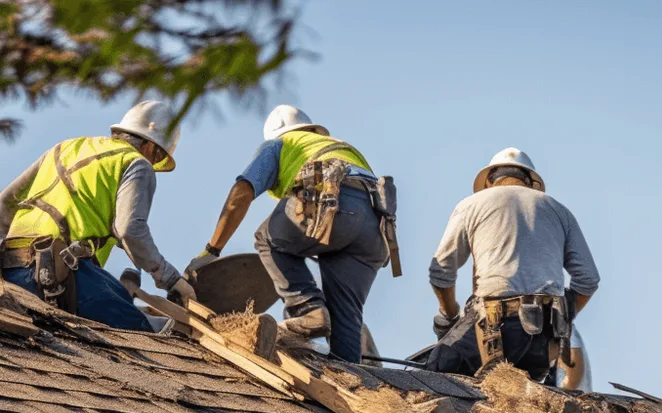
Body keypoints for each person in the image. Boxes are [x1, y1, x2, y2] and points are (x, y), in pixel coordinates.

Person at [194, 105, 393, 361]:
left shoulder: (280, 144)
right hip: (374, 228)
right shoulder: (340, 147)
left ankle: (306, 308)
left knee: (267, 238)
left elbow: (241, 194)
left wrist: (212, 250)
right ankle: (349, 376)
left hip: (332, 203)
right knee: (345, 317)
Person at [0, 101, 193, 330]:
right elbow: (130, 230)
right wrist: (172, 280)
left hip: (10, 268)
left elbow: (5, 205)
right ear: (151, 147)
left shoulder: (66, 147)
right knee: (152, 329)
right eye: (157, 156)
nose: (153, 163)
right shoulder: (136, 164)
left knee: (117, 293)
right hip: (59, 275)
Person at [426, 147, 599, 380]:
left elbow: (441, 271)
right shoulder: (559, 211)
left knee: (438, 369)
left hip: (496, 327)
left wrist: (449, 315)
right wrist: (561, 316)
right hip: (544, 343)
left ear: (489, 181)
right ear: (531, 183)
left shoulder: (471, 205)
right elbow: (588, 280)